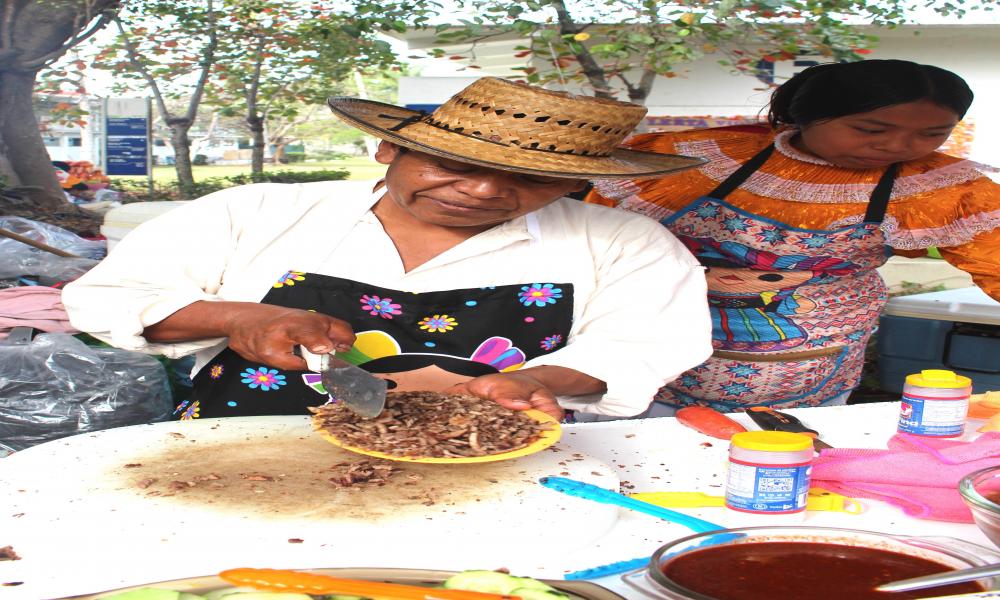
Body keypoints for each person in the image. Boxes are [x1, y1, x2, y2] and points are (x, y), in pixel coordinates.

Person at [63, 77, 713, 422]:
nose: (483, 190)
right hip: (238, 452)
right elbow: (109, 298)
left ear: (574, 184)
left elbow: (639, 348)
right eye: (451, 164)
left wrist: (535, 382)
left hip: (482, 463)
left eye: (530, 178)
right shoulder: (255, 212)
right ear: (388, 147)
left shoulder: (625, 243)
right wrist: (238, 317)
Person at [587, 59, 1000, 415]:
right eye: (870, 129)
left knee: (784, 454)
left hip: (813, 358)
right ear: (807, 115)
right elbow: (593, 237)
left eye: (931, 134)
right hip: (659, 343)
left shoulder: (941, 187)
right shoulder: (689, 158)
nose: (897, 146)